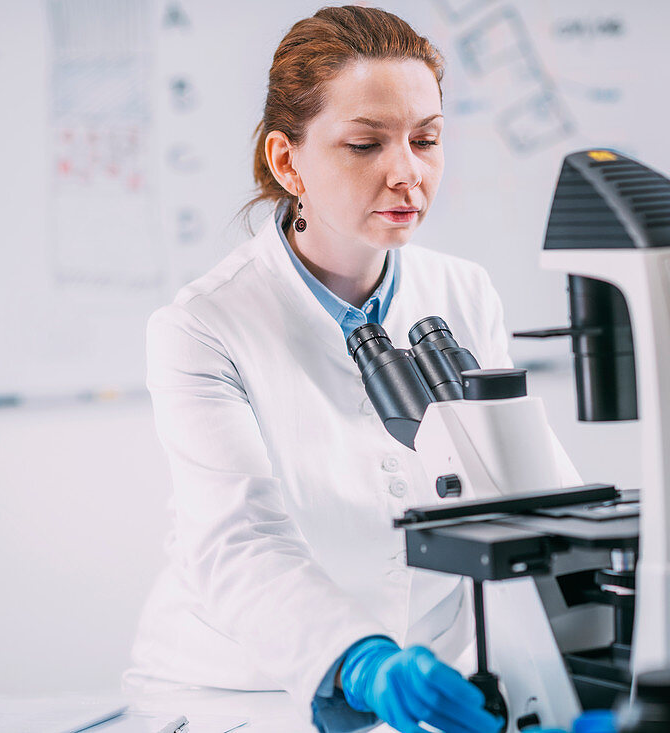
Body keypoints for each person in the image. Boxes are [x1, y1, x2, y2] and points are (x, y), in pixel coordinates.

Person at [124, 7, 512, 733]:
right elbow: (238, 539)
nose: (408, 172)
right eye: (366, 143)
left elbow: (519, 493)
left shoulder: (463, 294)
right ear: (287, 160)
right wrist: (360, 659)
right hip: (244, 692)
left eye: (425, 140)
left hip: (432, 682)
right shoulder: (203, 327)